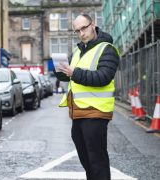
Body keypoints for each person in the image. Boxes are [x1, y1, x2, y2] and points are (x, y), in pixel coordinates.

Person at [54, 14, 120, 180]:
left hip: (96, 112)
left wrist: (74, 73)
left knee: (97, 160)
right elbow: (71, 77)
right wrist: (62, 73)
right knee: (86, 159)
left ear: (93, 25)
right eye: (77, 31)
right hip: (78, 112)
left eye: (84, 28)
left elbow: (103, 77)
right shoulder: (77, 51)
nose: (81, 33)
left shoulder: (107, 49)